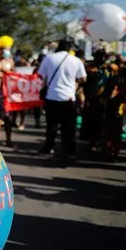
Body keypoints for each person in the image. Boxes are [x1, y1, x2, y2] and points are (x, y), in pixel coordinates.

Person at [37, 38, 87, 166]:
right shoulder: (76, 61)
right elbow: (83, 78)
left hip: (52, 97)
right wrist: (74, 84)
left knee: (51, 125)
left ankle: (49, 147)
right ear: (70, 48)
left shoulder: (49, 58)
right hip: (69, 98)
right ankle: (69, 150)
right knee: (69, 127)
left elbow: (40, 75)